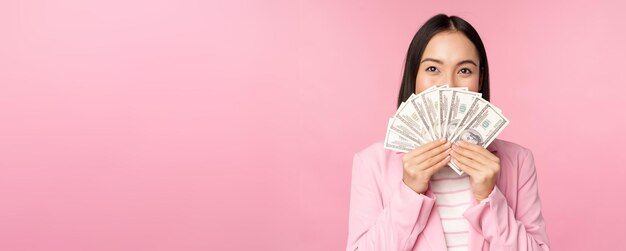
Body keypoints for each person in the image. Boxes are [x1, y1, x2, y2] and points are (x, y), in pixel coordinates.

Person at [345, 14, 550, 251]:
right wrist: (409, 192)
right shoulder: (371, 164)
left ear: (479, 78)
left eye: (464, 71)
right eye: (433, 68)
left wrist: (489, 198)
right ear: (414, 76)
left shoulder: (518, 162)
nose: (449, 85)